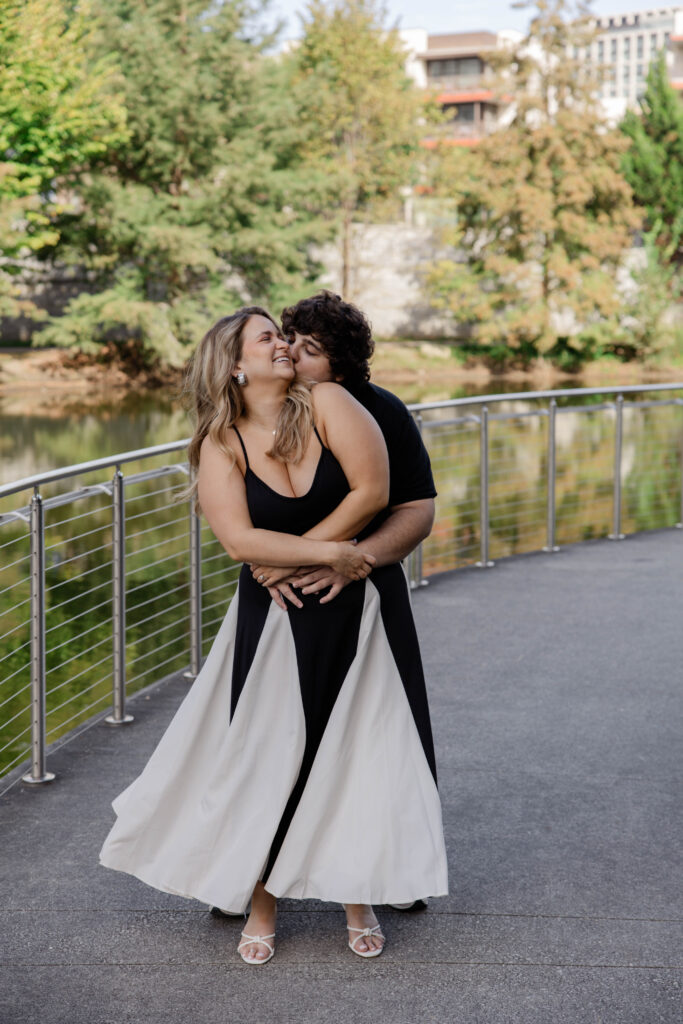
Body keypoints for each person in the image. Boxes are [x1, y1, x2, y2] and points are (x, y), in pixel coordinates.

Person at [98, 306, 448, 965]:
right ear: (236, 363)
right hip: (275, 615)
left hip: (360, 601)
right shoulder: (220, 442)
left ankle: (359, 892)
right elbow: (236, 539)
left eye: (288, 338)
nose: (284, 347)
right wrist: (305, 558)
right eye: (271, 338)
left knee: (360, 749)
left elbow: (375, 494)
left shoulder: (329, 404)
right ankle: (259, 899)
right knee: (265, 755)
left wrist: (308, 556)